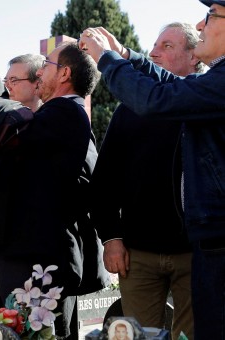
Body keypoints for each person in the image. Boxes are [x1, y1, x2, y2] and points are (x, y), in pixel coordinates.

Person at [79, 1, 225, 335]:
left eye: (211, 16)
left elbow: (157, 98)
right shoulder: (195, 90)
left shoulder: (209, 88)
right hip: (150, 251)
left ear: (192, 58)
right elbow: (165, 89)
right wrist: (126, 56)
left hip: (204, 247)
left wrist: (106, 59)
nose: (202, 26)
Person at [0, 43, 99, 340]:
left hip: (43, 259)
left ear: (64, 73)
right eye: (6, 81)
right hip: (30, 256)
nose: (40, 73)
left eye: (46, 65)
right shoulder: (58, 116)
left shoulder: (61, 114)